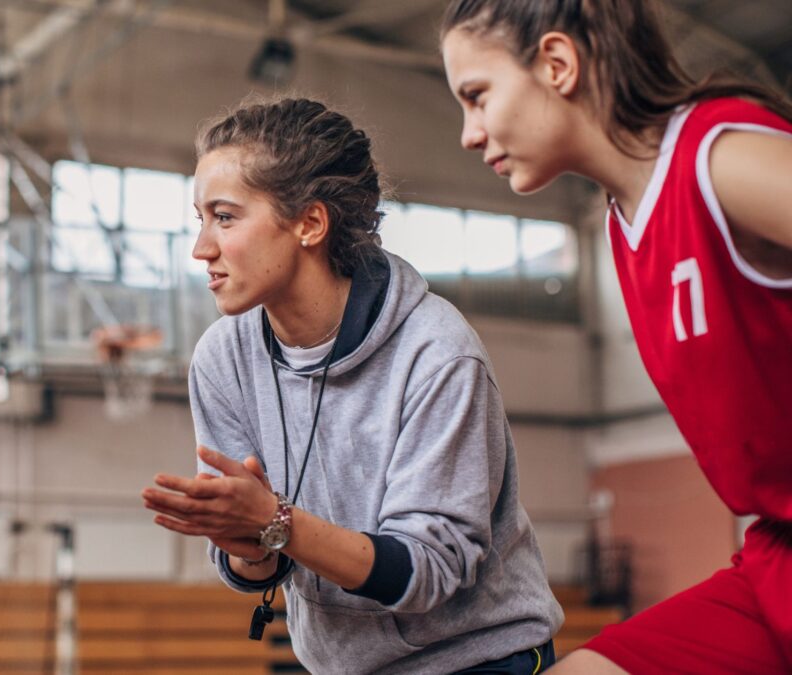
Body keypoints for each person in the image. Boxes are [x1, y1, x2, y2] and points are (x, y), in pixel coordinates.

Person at [142, 97, 562, 674]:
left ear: (310, 223)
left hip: (478, 660)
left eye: (226, 216)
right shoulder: (223, 357)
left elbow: (429, 570)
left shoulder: (438, 353)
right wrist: (249, 546)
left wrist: (274, 523)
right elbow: (262, 561)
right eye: (200, 219)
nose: (201, 248)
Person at [440, 1, 792, 672]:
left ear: (556, 64)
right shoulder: (625, 224)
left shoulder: (719, 160)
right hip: (773, 558)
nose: (467, 132)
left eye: (477, 97)